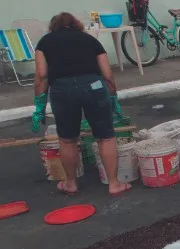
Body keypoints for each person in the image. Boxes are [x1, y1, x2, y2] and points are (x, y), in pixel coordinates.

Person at [33, 12, 130, 196]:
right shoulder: (90, 40)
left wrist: (39, 106)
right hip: (93, 86)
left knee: (68, 139)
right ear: (76, 24)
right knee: (106, 137)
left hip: (62, 89)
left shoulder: (45, 42)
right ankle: (114, 184)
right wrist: (113, 97)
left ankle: (71, 184)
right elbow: (108, 75)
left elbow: (41, 76)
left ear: (53, 26)